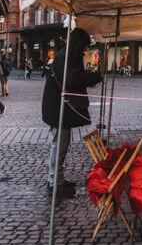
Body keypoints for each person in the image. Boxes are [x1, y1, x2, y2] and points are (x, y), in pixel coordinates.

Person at [42, 28, 103, 199]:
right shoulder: (67, 56)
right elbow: (73, 79)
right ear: (78, 45)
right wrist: (94, 77)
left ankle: (57, 180)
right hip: (58, 109)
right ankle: (54, 183)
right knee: (59, 146)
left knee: (61, 144)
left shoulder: (66, 54)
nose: (85, 51)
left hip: (59, 108)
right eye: (84, 47)